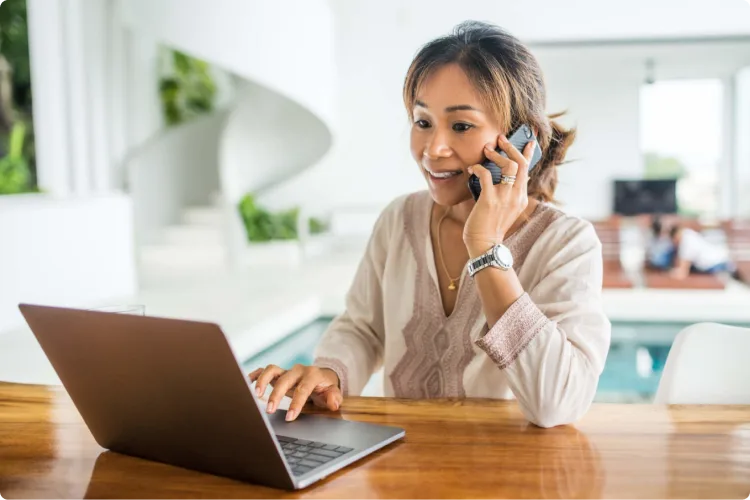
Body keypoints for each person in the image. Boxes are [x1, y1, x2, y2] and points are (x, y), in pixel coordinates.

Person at [249, 21, 611, 428]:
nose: (433, 149)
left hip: (509, 476)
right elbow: (364, 328)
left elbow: (556, 404)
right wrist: (331, 372)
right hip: (399, 469)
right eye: (423, 122)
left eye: (461, 126)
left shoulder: (567, 243)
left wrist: (486, 247)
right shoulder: (399, 219)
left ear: (519, 139)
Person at [668, 224, 734, 279]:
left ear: (675, 237)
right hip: (722, 262)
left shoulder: (687, 240)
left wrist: (670, 273)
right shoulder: (690, 234)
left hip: (715, 266)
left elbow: (682, 272)